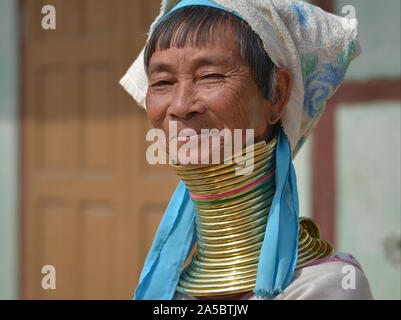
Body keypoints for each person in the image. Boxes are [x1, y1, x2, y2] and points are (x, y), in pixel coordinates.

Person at [120, 0, 373, 300]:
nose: (181, 106)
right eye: (162, 82)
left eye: (210, 76)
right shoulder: (171, 293)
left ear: (277, 93)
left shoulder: (326, 287)